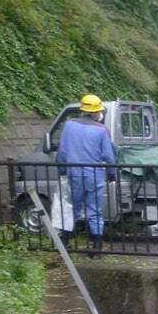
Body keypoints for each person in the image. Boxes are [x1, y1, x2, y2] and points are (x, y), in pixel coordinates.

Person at [54, 94, 117, 254]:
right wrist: (111, 173)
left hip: (74, 173)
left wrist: (62, 170)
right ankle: (96, 246)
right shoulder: (102, 130)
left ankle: (65, 242)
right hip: (94, 174)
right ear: (95, 112)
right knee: (95, 210)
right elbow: (109, 156)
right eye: (99, 111)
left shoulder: (69, 125)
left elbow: (62, 152)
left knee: (73, 208)